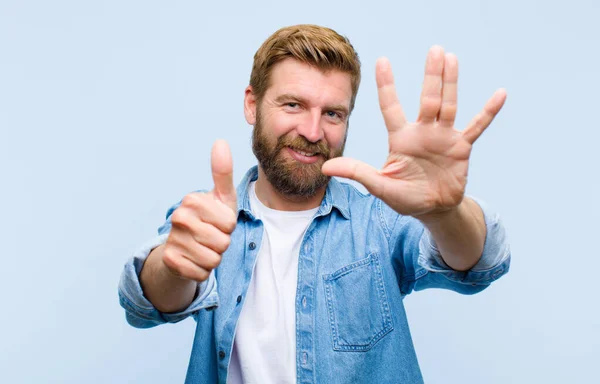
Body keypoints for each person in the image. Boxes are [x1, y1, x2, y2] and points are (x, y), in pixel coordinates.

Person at [118, 24, 511, 384]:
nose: (311, 131)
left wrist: (443, 213)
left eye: (333, 114)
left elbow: (479, 263)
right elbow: (145, 302)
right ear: (252, 105)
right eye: (293, 105)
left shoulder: (379, 221)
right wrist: (174, 263)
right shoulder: (208, 221)